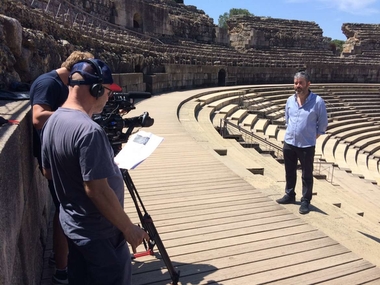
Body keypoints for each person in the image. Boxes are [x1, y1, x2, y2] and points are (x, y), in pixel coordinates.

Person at [41, 59, 149, 285]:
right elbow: (97, 190)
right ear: (96, 89)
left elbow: (47, 171)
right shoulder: (89, 131)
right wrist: (128, 228)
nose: (109, 97)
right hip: (101, 235)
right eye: (108, 92)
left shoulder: (52, 121)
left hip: (73, 226)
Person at [29, 50, 94, 284]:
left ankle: (60, 259)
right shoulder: (48, 82)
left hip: (60, 155)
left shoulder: (61, 83)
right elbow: (38, 118)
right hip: (53, 160)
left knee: (65, 210)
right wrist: (75, 116)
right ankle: (62, 269)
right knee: (64, 212)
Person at [276, 70, 328, 214]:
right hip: (289, 142)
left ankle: (305, 201)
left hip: (306, 145)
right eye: (296, 83)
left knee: (307, 175)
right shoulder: (290, 100)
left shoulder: (317, 102)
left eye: (301, 83)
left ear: (308, 84)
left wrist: (311, 137)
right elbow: (288, 119)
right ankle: (290, 194)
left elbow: (322, 124)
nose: (298, 86)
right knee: (289, 171)